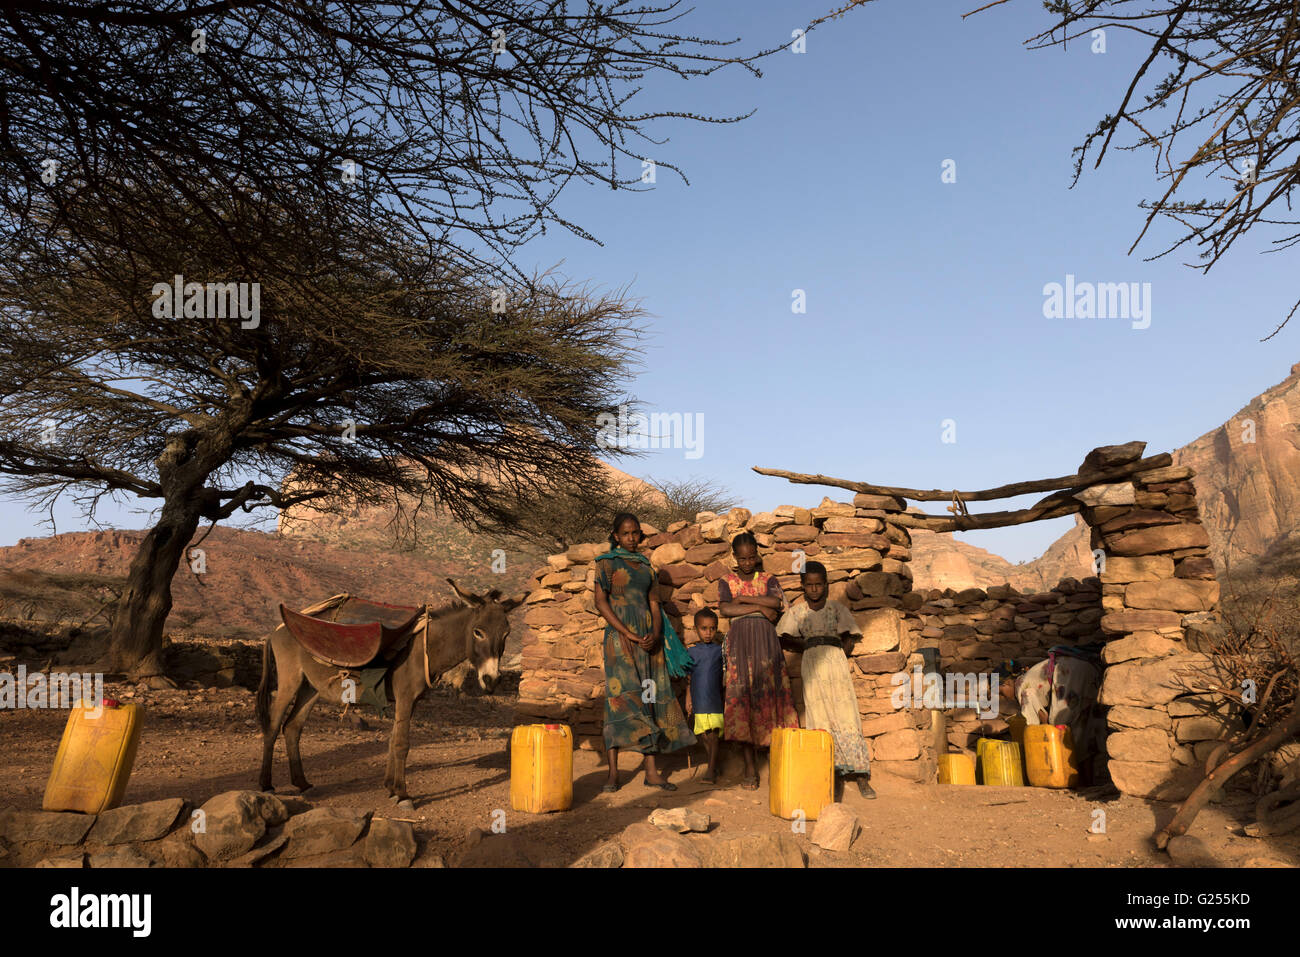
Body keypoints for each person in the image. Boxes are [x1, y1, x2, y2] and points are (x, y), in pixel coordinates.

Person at [593, 512, 696, 792]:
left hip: (648, 640)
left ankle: (651, 772)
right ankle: (613, 774)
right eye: (625, 533)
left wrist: (656, 634)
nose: (631, 538)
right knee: (620, 698)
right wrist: (628, 634)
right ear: (616, 536)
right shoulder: (605, 564)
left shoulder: (646, 567)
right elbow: (601, 602)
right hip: (619, 638)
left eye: (635, 533)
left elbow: (654, 604)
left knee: (650, 697)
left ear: (640, 535)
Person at [776, 561, 876, 799]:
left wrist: (840, 648)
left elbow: (849, 637)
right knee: (819, 714)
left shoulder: (836, 609)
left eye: (818, 584)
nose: (814, 589)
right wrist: (807, 644)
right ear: (802, 586)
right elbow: (783, 636)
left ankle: (861, 775)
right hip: (812, 665)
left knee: (846, 713)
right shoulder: (798, 612)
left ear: (826, 585)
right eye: (809, 585)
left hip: (836, 664)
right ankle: (830, 775)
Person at [717, 531, 799, 790]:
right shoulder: (726, 581)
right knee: (743, 702)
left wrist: (745, 599)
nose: (747, 563)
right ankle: (750, 768)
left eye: (752, 557)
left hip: (765, 646)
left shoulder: (768, 579)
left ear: (756, 556)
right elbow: (726, 609)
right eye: (742, 558)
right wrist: (758, 608)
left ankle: (777, 762)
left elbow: (775, 603)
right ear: (735, 557)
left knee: (770, 698)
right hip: (740, 647)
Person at [999, 643, 1105, 782]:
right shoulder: (1034, 674)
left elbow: (1037, 719)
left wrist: (1046, 728)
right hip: (1088, 669)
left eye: (1000, 692)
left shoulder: (1021, 684)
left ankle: (1066, 777)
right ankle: (1087, 780)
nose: (1003, 697)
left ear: (1006, 683)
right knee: (1083, 728)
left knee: (1059, 728)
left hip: (1068, 673)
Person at [686, 607, 725, 784]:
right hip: (699, 699)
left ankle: (710, 771)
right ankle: (714, 764)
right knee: (703, 735)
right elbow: (689, 679)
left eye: (712, 628)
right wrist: (688, 699)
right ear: (695, 629)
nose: (708, 633)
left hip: (714, 700)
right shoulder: (691, 652)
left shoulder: (720, 651)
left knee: (713, 735)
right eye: (704, 628)